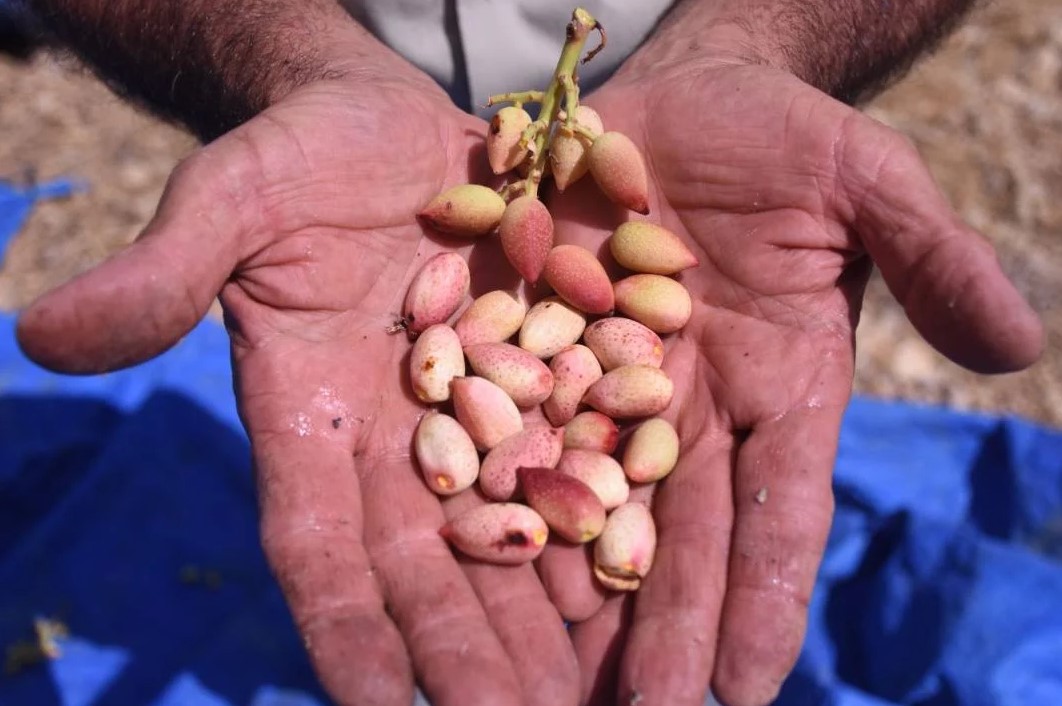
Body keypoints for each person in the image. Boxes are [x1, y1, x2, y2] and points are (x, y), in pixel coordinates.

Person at [14, 1, 1043, 705]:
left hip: (702, 94)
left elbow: (559, 374)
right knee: (366, 572)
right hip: (338, 113)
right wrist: (283, 62)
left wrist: (761, 40)